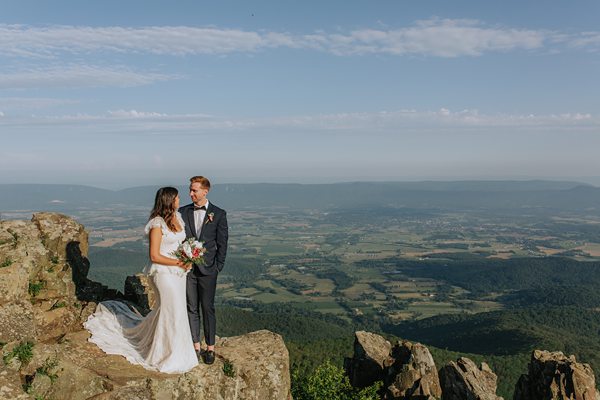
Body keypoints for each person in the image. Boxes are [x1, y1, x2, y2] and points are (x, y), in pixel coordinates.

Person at [84, 187, 198, 373]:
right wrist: (179, 261)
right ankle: (165, 355)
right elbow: (154, 255)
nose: (179, 200)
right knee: (171, 310)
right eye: (177, 197)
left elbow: (179, 243)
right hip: (163, 274)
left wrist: (188, 257)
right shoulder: (157, 224)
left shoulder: (178, 218)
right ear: (169, 200)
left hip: (178, 274)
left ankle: (178, 351)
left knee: (175, 311)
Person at [180, 176, 228, 364]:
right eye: (190, 190)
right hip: (188, 269)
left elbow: (222, 243)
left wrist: (218, 267)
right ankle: (195, 346)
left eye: (194, 190)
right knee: (191, 307)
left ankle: (210, 348)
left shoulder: (219, 214)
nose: (191, 193)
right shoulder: (182, 212)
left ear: (205, 191)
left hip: (209, 269)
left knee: (207, 308)